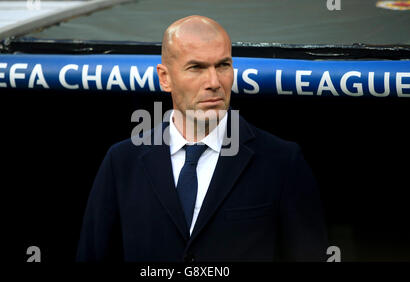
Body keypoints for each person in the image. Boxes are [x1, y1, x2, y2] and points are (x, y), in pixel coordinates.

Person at [76, 15, 328, 262]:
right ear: (165, 78)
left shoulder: (281, 162)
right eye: (196, 67)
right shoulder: (122, 162)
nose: (214, 82)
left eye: (223, 65)